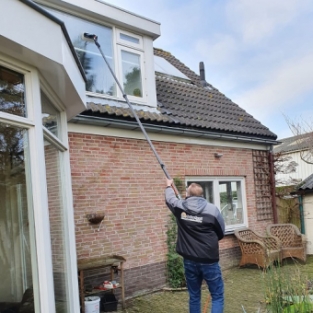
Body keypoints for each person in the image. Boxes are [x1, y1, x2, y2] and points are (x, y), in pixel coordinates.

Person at [165, 178, 225, 313]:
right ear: (201, 195)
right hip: (209, 260)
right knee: (217, 296)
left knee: (194, 296)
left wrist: (168, 186)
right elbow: (221, 232)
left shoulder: (180, 208)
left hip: (190, 260)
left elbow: (170, 200)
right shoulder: (212, 210)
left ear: (187, 195)